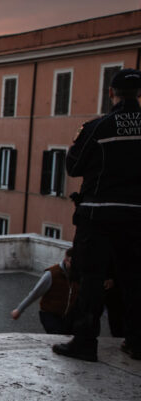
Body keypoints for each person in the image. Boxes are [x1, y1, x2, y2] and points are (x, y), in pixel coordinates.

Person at [53, 68, 141, 362]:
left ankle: (85, 342)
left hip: (98, 215)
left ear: (111, 93)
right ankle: (137, 342)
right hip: (137, 217)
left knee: (91, 279)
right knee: (133, 279)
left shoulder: (98, 127)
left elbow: (74, 166)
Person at [11, 248, 79, 334]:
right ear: (65, 260)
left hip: (68, 316)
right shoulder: (52, 274)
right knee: (57, 336)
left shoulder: (78, 275)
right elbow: (35, 293)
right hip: (49, 314)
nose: (75, 266)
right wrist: (19, 310)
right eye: (72, 263)